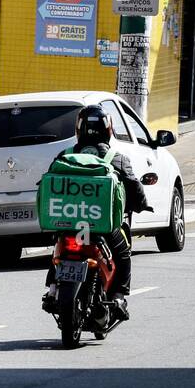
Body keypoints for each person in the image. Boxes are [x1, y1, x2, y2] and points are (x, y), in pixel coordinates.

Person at [42, 105, 152, 322]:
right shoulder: (116, 158)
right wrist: (142, 203)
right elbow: (133, 185)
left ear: (79, 129)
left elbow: (48, 180)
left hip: (68, 224)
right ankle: (119, 296)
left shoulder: (65, 155)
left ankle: (53, 288)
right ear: (108, 130)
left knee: (58, 245)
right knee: (123, 253)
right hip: (104, 227)